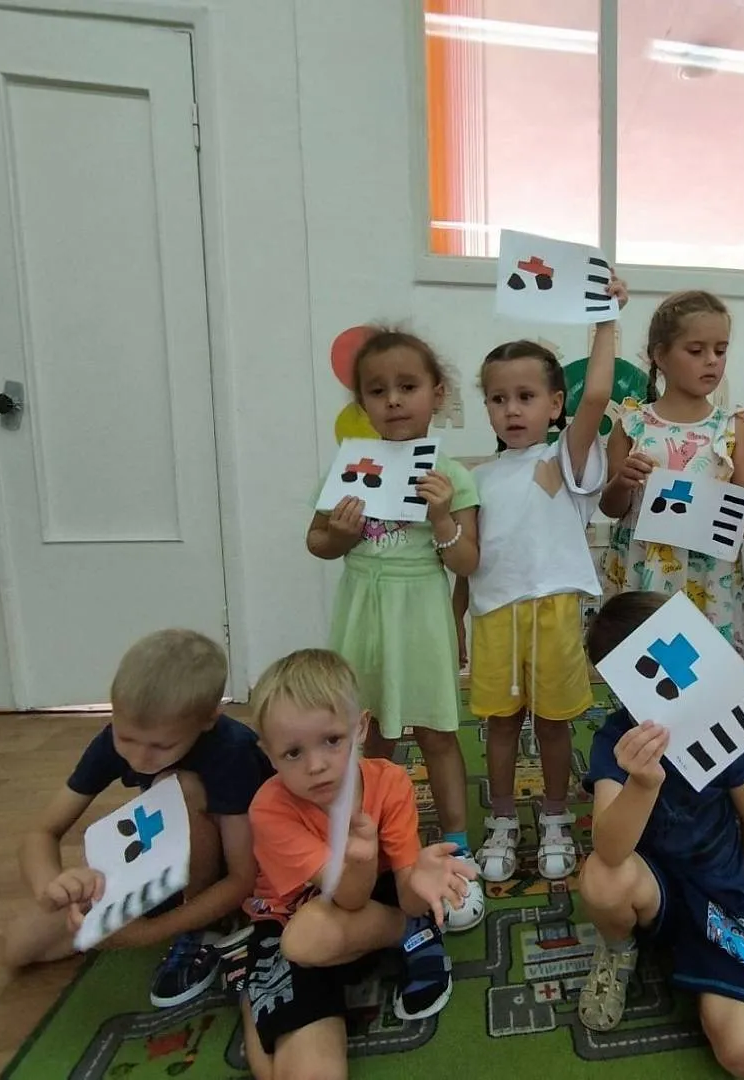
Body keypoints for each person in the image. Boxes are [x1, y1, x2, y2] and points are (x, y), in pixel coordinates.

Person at [306, 329, 485, 932]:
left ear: (437, 393)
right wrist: (341, 532)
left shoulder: (451, 475)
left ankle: (457, 842)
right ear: (362, 401)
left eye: (408, 386)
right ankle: (368, 837)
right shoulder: (349, 466)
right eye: (377, 390)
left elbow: (467, 562)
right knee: (366, 733)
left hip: (421, 612)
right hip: (363, 609)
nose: (393, 400)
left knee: (437, 730)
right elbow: (317, 543)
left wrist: (441, 515)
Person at [454, 279, 628, 884]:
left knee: (554, 725)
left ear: (555, 405)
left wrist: (605, 319)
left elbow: (597, 393)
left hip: (552, 612)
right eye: (498, 399)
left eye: (526, 397)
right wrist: (455, 618)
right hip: (494, 617)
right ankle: (503, 819)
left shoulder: (564, 460)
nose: (512, 410)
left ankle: (555, 816)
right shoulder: (477, 478)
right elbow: (469, 556)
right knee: (500, 726)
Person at [241, 649, 477, 1080]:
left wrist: (418, 881)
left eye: (332, 740)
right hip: (298, 918)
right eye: (292, 753)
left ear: (361, 727)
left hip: (367, 905)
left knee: (307, 937)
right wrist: (363, 857)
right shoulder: (269, 809)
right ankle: (404, 932)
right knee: (301, 943)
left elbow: (400, 893)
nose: (316, 766)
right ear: (268, 755)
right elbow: (345, 898)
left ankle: (409, 931)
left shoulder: (390, 781)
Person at [4, 629, 268, 1008]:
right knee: (21, 946)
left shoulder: (232, 751)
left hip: (248, 877)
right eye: (126, 738)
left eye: (161, 745)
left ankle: (206, 927)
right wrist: (53, 887)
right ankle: (179, 912)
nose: (139, 757)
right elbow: (42, 832)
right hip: (165, 863)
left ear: (209, 718)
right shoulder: (114, 739)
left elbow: (243, 877)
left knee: (179, 786)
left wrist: (148, 933)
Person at [575, 592, 744, 1079]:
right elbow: (609, 849)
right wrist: (642, 783)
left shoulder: (721, 725)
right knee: (601, 876)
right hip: (652, 892)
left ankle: (707, 972)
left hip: (718, 896)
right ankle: (619, 949)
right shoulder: (615, 740)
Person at [600, 291, 744, 651]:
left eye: (720, 350)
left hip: (709, 577)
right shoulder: (631, 425)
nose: (712, 361)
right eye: (696, 350)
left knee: (705, 667)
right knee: (642, 661)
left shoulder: (732, 429)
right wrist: (622, 481)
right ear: (660, 356)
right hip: (644, 570)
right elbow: (611, 508)